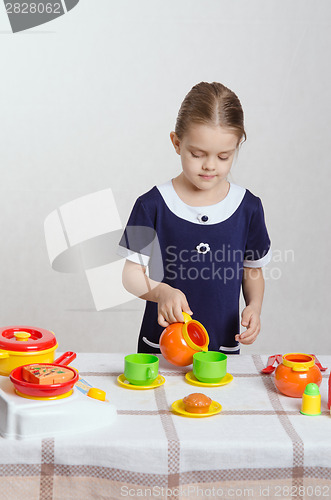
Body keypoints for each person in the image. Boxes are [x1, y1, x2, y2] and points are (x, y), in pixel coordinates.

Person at [118, 82, 271, 354]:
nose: (210, 165)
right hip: (161, 347)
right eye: (197, 154)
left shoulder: (248, 208)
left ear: (237, 146)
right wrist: (161, 292)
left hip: (220, 349)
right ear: (177, 143)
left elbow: (252, 270)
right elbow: (131, 276)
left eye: (224, 156)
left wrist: (254, 307)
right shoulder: (151, 205)